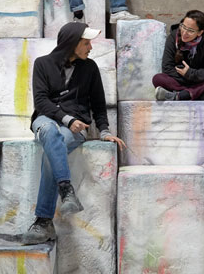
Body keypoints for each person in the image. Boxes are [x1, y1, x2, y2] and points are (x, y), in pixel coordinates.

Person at [21, 22, 126, 245]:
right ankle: (66, 189)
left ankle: (43, 221)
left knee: (53, 147)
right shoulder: (43, 64)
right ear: (72, 44)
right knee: (49, 130)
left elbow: (98, 104)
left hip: (76, 127)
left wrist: (104, 131)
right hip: (47, 119)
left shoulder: (90, 67)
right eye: (86, 43)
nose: (90, 47)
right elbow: (41, 101)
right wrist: (67, 119)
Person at [152, 10, 204, 101]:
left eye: (190, 30)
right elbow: (167, 67)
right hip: (180, 80)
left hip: (199, 80)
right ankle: (199, 94)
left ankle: (180, 95)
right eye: (183, 27)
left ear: (199, 32)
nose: (184, 33)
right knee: (158, 79)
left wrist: (191, 74)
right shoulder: (173, 38)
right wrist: (186, 76)